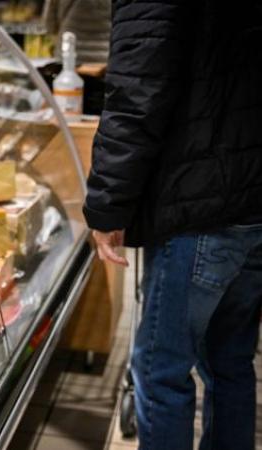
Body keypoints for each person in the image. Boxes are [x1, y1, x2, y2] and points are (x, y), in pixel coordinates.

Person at [82, 2, 262, 450]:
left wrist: (108, 207)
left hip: (198, 203)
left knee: (161, 372)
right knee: (231, 362)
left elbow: (138, 91)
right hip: (254, 200)